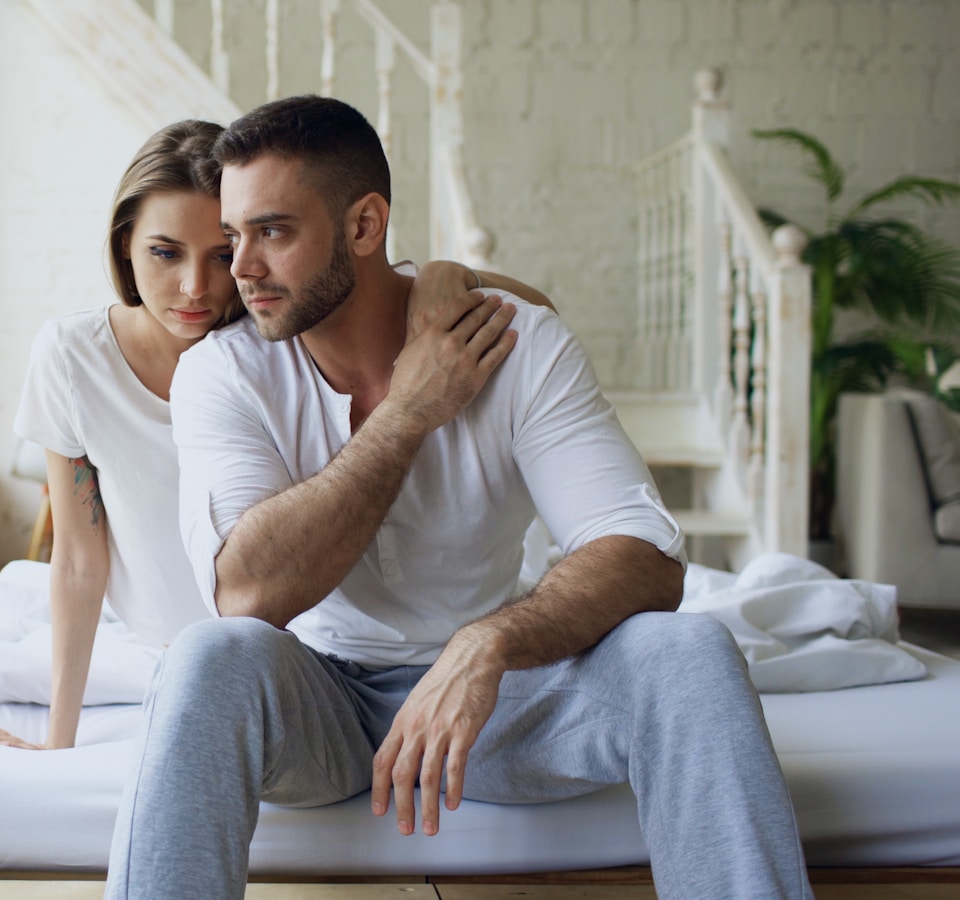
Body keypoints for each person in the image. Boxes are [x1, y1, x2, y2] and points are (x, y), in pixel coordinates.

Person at [104, 97, 812, 899]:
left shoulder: (517, 345)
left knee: (688, 652)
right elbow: (249, 593)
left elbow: (644, 555)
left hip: (503, 706)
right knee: (208, 655)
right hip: (323, 704)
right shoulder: (223, 372)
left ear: (365, 226)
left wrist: (487, 646)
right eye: (236, 236)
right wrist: (408, 414)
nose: (241, 269)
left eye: (273, 232)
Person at [0, 119, 552, 752]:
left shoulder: (280, 338)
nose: (196, 288)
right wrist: (58, 741)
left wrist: (449, 274)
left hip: (295, 648)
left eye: (220, 253)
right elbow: (76, 558)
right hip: (174, 645)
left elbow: (536, 315)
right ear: (125, 244)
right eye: (164, 252)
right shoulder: (73, 357)